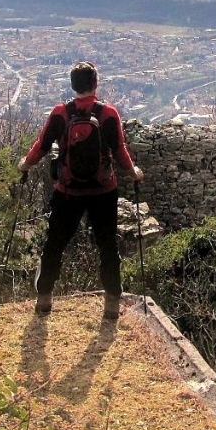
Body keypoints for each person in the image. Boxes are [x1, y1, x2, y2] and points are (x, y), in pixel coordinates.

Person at [18, 61, 143, 320]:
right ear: (95, 84)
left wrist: (25, 165)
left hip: (68, 192)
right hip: (103, 190)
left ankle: (44, 300)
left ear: (73, 85)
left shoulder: (60, 113)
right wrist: (133, 173)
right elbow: (119, 151)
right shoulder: (108, 113)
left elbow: (41, 146)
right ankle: (111, 305)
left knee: (54, 245)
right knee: (107, 246)